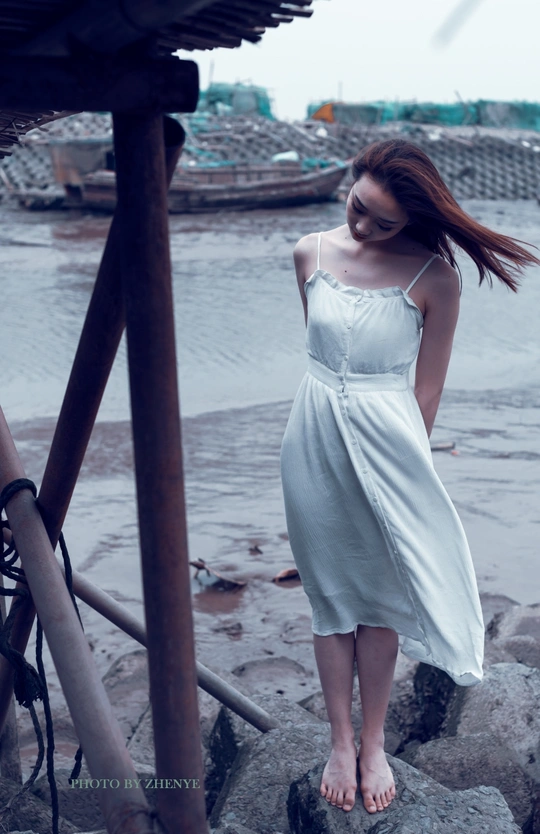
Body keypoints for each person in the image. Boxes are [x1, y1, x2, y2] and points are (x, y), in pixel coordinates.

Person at [279, 138, 539, 817]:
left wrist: (404, 478)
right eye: (358, 207)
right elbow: (321, 359)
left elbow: (426, 392)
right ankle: (340, 743)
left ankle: (373, 745)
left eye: (384, 221)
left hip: (390, 447)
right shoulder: (308, 252)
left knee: (383, 599)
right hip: (312, 441)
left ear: (414, 220)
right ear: (350, 184)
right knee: (330, 599)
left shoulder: (435, 277)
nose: (364, 226)